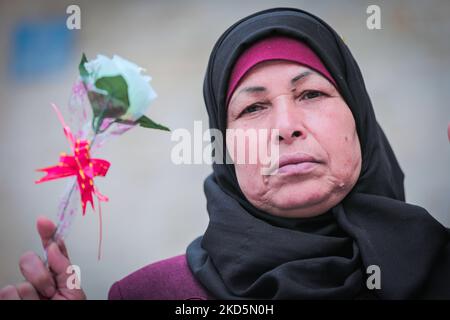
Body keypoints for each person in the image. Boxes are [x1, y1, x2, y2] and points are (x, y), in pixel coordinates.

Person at [1, 7, 449, 300]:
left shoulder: (438, 268)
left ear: (360, 122)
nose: (285, 127)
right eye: (253, 107)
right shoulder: (152, 294)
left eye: (311, 94)